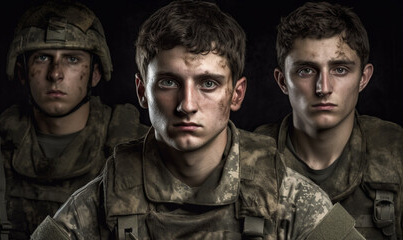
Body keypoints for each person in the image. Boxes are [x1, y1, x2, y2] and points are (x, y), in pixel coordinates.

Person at [30, 0, 365, 239]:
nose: (186, 104)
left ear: (236, 94)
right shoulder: (101, 203)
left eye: (208, 83)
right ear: (142, 91)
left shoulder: (286, 199)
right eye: (169, 82)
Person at [0, 1, 149, 239]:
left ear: (95, 73)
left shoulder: (139, 150)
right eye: (43, 57)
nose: (55, 73)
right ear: (22, 72)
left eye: (72, 59)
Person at [254, 1, 403, 239]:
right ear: (282, 81)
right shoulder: (249, 158)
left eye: (340, 69)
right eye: (306, 70)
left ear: (363, 78)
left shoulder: (396, 153)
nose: (323, 88)